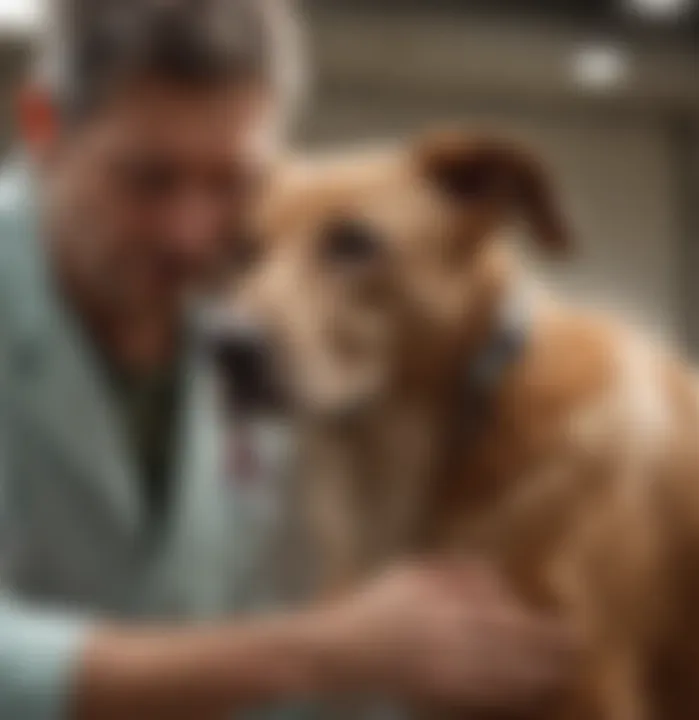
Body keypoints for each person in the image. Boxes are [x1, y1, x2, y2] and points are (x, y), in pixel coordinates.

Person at [0, 1, 573, 718]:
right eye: (148, 181)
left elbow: (287, 633)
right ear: (43, 127)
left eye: (231, 181)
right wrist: (316, 650)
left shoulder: (259, 303)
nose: (191, 233)